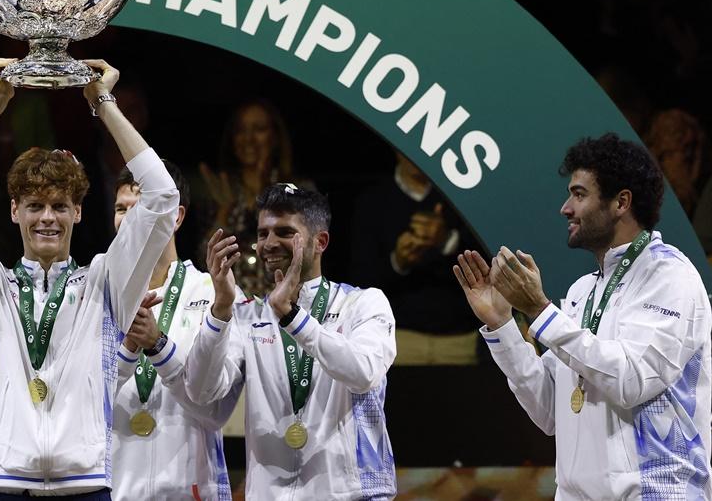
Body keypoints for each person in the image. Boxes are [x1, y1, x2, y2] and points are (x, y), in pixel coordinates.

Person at [0, 58, 178, 499]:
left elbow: (162, 196)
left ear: (78, 213)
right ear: (13, 211)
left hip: (85, 485)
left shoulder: (105, 284)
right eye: (35, 205)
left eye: (60, 206)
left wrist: (102, 102)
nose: (48, 218)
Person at [453, 133, 712, 499]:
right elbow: (549, 410)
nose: (565, 208)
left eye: (579, 194)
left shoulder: (669, 277)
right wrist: (503, 325)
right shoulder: (581, 292)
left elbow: (630, 381)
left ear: (621, 202)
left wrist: (541, 311)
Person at [184, 183, 397, 500]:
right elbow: (202, 396)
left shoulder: (363, 304)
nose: (269, 243)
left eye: (284, 232)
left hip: (351, 494)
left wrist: (291, 317)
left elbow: (363, 372)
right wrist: (220, 310)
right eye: (262, 234)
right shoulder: (246, 316)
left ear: (320, 241)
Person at [109, 162, 238, 501]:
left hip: (190, 492)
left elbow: (213, 406)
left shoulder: (213, 294)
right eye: (121, 208)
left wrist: (157, 344)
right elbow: (79, 403)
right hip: (114, 491)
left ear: (176, 217)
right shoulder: (95, 295)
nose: (128, 219)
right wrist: (126, 352)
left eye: (143, 208)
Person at [350, 150, 483, 365]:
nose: (414, 155)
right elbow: (358, 282)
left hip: (460, 339)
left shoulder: (462, 194)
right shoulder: (373, 201)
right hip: (399, 339)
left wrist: (447, 240)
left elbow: (489, 261)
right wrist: (398, 262)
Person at [198, 99, 313, 297]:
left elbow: (310, 256)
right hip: (233, 311)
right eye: (241, 130)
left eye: (259, 129)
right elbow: (203, 264)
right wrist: (224, 213)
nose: (249, 139)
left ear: (275, 137)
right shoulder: (221, 190)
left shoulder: (298, 190)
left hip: (285, 307)